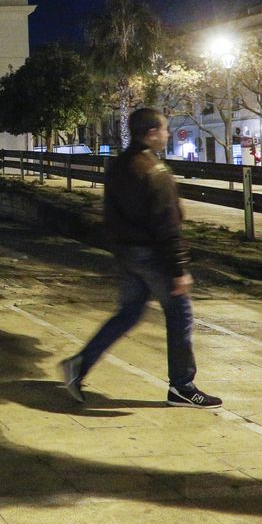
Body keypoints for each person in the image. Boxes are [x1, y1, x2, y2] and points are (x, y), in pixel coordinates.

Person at [61, 107, 222, 409]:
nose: (167, 134)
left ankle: (79, 365)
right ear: (151, 134)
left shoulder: (119, 166)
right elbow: (168, 225)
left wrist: (121, 248)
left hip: (128, 253)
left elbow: (110, 215)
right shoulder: (156, 172)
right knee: (180, 315)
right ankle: (182, 386)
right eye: (164, 129)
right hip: (153, 256)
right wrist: (179, 269)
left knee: (129, 313)